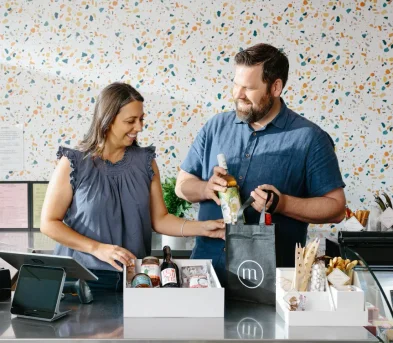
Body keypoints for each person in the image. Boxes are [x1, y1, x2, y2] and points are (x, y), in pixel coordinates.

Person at [175, 43, 346, 285]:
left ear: (275, 87)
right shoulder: (215, 127)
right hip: (206, 275)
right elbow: (181, 185)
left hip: (270, 282)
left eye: (249, 88)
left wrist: (283, 203)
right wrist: (205, 188)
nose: (238, 94)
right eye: (236, 84)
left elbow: (336, 209)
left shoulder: (310, 138)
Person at [40, 82, 225, 292]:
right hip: (80, 280)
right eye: (131, 121)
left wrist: (204, 228)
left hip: (135, 280)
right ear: (107, 121)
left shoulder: (146, 162)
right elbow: (48, 223)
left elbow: (160, 219)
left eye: (141, 119)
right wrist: (98, 249)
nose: (139, 127)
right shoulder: (73, 162)